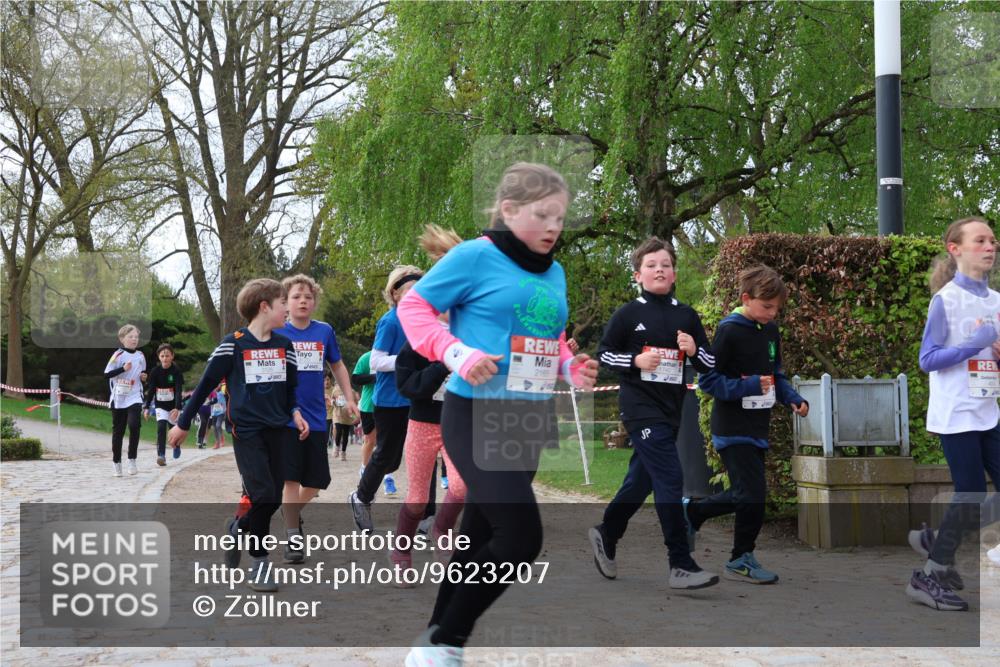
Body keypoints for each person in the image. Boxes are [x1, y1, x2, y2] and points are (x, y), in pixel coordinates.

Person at [397, 162, 598, 665]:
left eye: (561, 217)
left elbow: (545, 335)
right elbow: (414, 309)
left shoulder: (554, 272)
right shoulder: (474, 257)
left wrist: (571, 367)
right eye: (543, 215)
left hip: (527, 420)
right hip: (475, 413)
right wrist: (456, 352)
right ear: (509, 210)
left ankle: (432, 643)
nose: (554, 227)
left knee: (478, 540)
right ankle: (447, 641)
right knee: (521, 536)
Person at [589, 237, 719, 589]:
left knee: (640, 482)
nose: (659, 269)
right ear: (638, 275)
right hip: (639, 409)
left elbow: (709, 364)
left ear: (674, 273)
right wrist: (635, 360)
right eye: (651, 265)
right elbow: (605, 355)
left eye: (665, 264)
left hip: (671, 409)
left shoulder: (686, 315)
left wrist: (693, 349)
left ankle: (607, 532)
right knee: (670, 478)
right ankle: (680, 562)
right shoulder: (629, 314)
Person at [168, 278, 309, 592]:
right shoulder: (233, 344)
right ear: (264, 307)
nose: (287, 308)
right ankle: (259, 565)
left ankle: (237, 527)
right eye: (282, 302)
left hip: (280, 431)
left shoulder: (285, 346)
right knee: (265, 495)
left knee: (269, 498)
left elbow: (290, 391)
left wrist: (296, 413)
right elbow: (204, 386)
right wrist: (183, 423)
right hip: (247, 432)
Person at [683, 265, 808, 584]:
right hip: (731, 427)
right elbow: (709, 380)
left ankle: (694, 513)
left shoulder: (770, 331)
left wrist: (792, 398)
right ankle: (740, 557)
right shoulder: (729, 330)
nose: (772, 313)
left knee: (746, 493)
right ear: (746, 299)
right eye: (767, 307)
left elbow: (775, 374)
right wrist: (748, 385)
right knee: (753, 494)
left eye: (777, 308)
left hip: (758, 427)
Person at [905, 216, 1000, 611]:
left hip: (989, 410)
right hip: (956, 413)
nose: (990, 246)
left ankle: (937, 538)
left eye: (993, 240)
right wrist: (972, 344)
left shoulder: (997, 302)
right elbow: (928, 359)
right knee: (971, 491)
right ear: (955, 249)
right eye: (980, 240)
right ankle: (929, 575)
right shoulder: (945, 300)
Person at [389, 225, 469, 584]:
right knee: (418, 497)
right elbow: (408, 387)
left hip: (458, 422)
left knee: (462, 487)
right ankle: (402, 551)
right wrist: (440, 364)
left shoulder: (472, 336)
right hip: (422, 424)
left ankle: (442, 530)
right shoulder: (417, 344)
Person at [275, 274, 359, 564]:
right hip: (286, 418)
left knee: (317, 480)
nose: (302, 301)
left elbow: (337, 364)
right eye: (296, 296)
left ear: (314, 302)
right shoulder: (278, 333)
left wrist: (349, 398)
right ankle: (292, 536)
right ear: (285, 302)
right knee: (291, 478)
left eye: (308, 297)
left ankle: (290, 512)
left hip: (317, 417)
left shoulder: (324, 331)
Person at [348, 265, 424, 529]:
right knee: (386, 457)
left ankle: (426, 515)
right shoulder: (390, 321)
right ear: (395, 294)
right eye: (411, 291)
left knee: (404, 458)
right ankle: (361, 497)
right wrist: (409, 362)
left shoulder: (422, 320)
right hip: (390, 400)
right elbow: (377, 362)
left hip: (416, 398)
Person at [104, 324, 146, 477]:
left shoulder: (141, 355)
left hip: (134, 395)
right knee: (119, 431)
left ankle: (132, 459)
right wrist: (123, 369)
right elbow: (107, 374)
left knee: (134, 425)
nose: (134, 339)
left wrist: (143, 377)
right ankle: (117, 462)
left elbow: (142, 373)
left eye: (136, 337)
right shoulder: (118, 355)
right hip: (119, 397)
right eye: (131, 337)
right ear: (122, 339)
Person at [144, 343, 184, 467]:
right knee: (161, 428)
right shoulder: (155, 372)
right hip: (160, 405)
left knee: (173, 431)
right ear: (159, 357)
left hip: (173, 407)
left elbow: (178, 391)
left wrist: (177, 408)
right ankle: (161, 455)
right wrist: (146, 407)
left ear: (172, 356)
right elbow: (151, 390)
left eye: (167, 356)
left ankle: (176, 445)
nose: (165, 358)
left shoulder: (176, 371)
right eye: (162, 356)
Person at [352, 351, 378, 476]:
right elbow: (355, 378)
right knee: (370, 439)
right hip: (369, 406)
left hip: (391, 404)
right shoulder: (367, 357)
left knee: (387, 441)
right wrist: (376, 377)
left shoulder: (396, 356)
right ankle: (364, 467)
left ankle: (388, 477)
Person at [332, 380, 358, 461]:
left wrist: (354, 413)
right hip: (337, 414)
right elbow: (332, 399)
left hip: (347, 416)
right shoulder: (335, 390)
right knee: (339, 431)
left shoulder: (351, 391)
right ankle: (336, 447)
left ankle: (343, 453)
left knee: (346, 434)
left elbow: (355, 402)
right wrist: (333, 402)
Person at [211, 384, 227, 449]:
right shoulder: (212, 394)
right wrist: (211, 412)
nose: (216, 388)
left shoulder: (221, 393)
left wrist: (224, 410)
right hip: (214, 413)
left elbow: (224, 402)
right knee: (214, 427)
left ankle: (222, 439)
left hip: (221, 412)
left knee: (218, 425)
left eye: (217, 386)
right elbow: (211, 403)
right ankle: (217, 442)